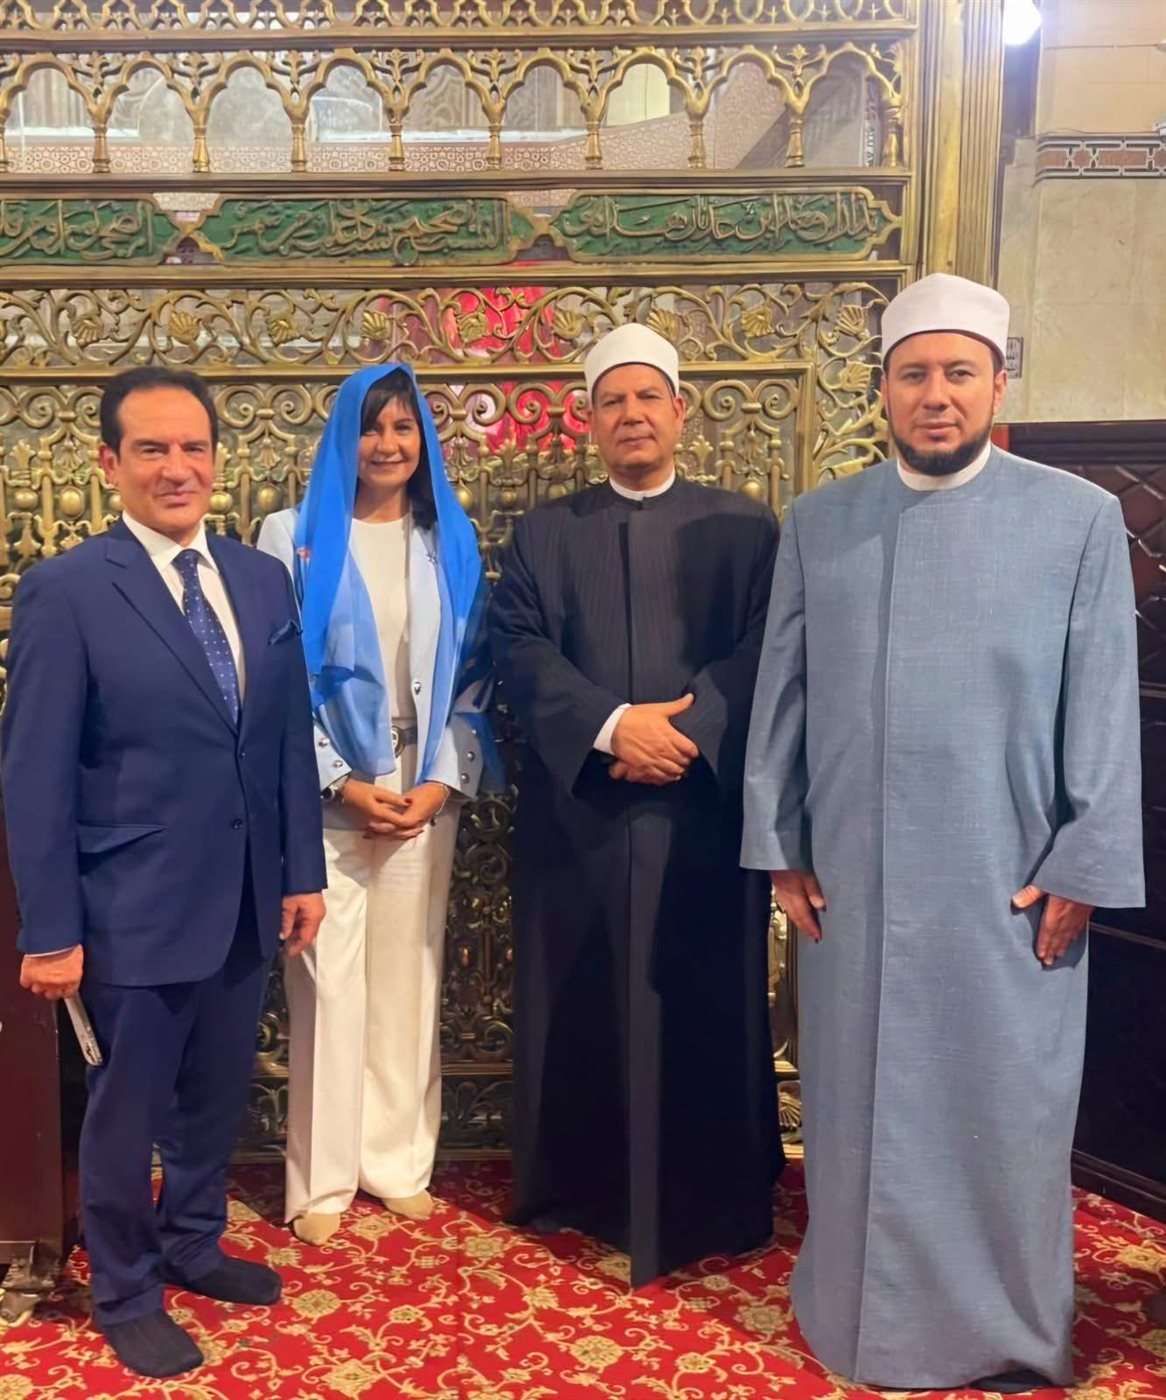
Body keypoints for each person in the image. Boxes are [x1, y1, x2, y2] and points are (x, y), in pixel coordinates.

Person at [741, 274, 1144, 1394]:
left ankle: (1002, 1330)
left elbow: (1103, 702)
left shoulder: (1075, 518)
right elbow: (783, 692)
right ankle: (854, 1314)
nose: (935, 394)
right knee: (855, 1106)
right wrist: (779, 842)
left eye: (958, 372)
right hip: (854, 883)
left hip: (1004, 881)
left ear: (998, 383)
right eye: (913, 373)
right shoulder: (822, 520)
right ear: (881, 389)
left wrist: (1082, 863)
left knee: (1002, 1111)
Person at [2, 367, 326, 1379]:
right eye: (152, 448)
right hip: (129, 907)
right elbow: (34, 774)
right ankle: (127, 1289)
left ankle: (192, 1241)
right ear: (111, 462)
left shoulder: (260, 579)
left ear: (216, 459)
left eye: (193, 447)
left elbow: (282, 738)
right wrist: (50, 930)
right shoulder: (66, 590)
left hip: (245, 896)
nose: (176, 467)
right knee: (127, 1109)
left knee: (214, 1096)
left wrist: (301, 872)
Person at [489, 323, 783, 1287]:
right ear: (589, 420)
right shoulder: (544, 534)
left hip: (703, 817)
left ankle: (714, 1192)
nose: (631, 415)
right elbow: (518, 648)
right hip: (584, 816)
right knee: (584, 998)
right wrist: (613, 727)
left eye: (648, 396)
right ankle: (579, 1186)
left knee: (701, 999)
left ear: (680, 411)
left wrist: (688, 730)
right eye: (612, 400)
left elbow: (769, 647)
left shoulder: (746, 528)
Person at [258, 364, 499, 1246]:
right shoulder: (291, 538)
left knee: (409, 976)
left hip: (423, 789)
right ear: (342, 437)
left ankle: (396, 1163)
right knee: (325, 983)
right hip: (324, 792)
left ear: (423, 440)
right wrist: (341, 781)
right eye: (371, 427)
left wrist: (438, 783)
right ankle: (321, 1179)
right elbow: (276, 678)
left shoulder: (449, 542)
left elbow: (475, 676)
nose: (387, 445)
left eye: (403, 428)